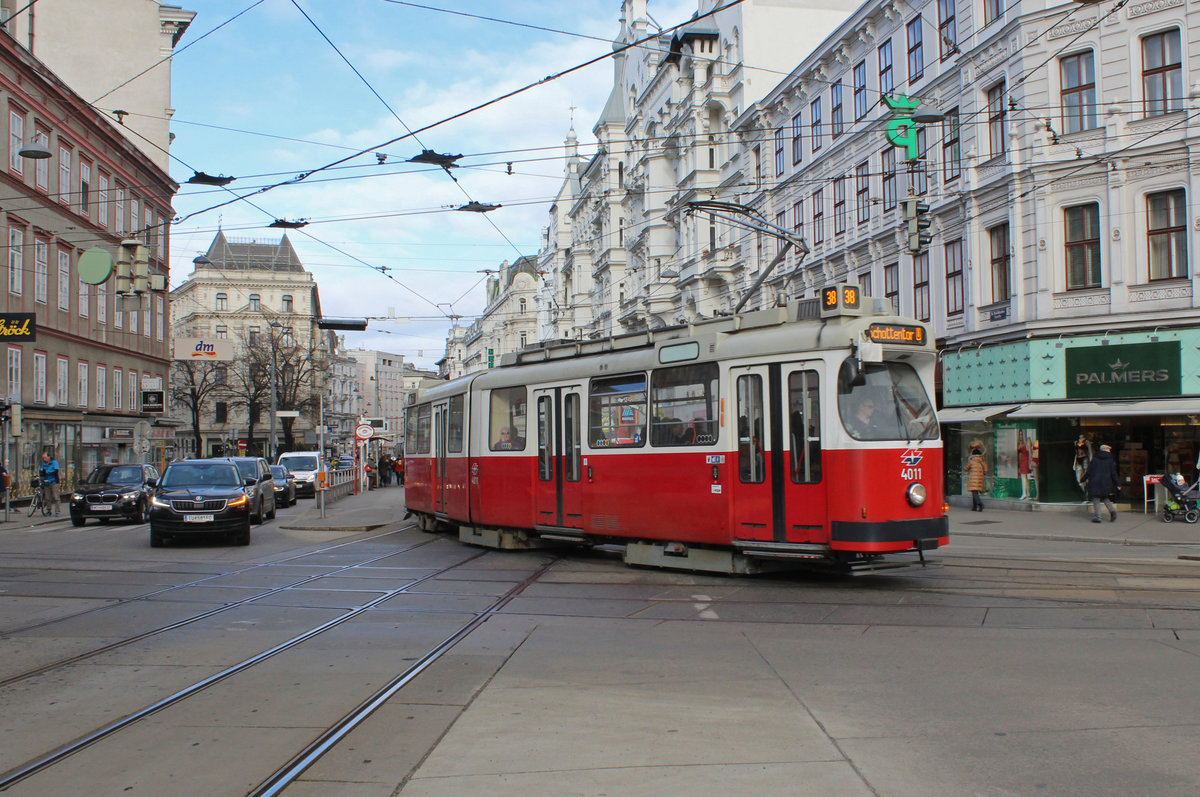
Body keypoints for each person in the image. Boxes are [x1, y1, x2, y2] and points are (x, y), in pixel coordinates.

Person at [1083, 443, 1120, 523]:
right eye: (1109, 449)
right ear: (1105, 450)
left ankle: (1098, 517)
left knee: (1096, 498)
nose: (1110, 451)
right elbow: (1113, 473)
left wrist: (1083, 479)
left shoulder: (1095, 459)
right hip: (1106, 482)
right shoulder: (1110, 460)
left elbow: (1089, 471)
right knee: (1105, 497)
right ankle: (1112, 510)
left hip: (1095, 481)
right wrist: (1118, 483)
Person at [965, 446, 988, 512]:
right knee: (975, 492)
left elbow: (967, 468)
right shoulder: (982, 459)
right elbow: (986, 468)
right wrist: (983, 473)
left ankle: (980, 504)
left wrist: (965, 469)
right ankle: (974, 507)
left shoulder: (972, 460)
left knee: (974, 492)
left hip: (973, 478)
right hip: (980, 477)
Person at [39, 451, 61, 516]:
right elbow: (41, 471)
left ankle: (57, 511)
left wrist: (47, 471)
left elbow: (56, 470)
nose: (44, 459)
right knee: (47, 498)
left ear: (48, 457)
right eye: (43, 458)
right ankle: (49, 510)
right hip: (46, 482)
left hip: (54, 482)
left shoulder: (54, 462)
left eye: (45, 458)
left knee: (56, 497)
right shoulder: (43, 464)